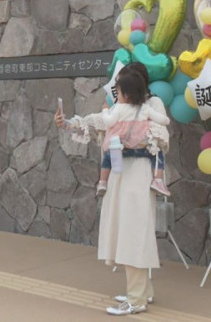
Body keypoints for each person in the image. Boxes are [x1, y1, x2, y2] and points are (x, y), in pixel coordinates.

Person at [56, 62, 168, 315]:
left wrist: (129, 135)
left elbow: (160, 139)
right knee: (124, 229)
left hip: (139, 173)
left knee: (135, 231)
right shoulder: (120, 107)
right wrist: (67, 123)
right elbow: (96, 123)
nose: (117, 91)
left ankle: (136, 299)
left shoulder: (153, 105)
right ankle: (143, 291)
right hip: (120, 171)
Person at [97, 63, 170, 197]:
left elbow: (161, 133)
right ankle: (158, 180)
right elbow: (99, 122)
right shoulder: (129, 106)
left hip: (138, 170)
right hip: (123, 166)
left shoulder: (152, 103)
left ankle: (102, 181)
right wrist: (69, 123)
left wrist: (105, 111)